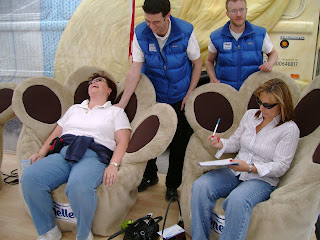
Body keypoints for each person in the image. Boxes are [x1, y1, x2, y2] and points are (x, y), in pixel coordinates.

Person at [21, 73, 131, 240]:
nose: (93, 83)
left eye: (99, 81)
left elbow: (123, 141)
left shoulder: (115, 112)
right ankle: (49, 230)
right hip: (65, 152)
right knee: (30, 178)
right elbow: (56, 133)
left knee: (78, 187)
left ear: (109, 90)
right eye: (91, 81)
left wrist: (113, 165)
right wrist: (42, 152)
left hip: (93, 155)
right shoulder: (74, 109)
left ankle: (84, 233)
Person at [191, 78, 300, 240]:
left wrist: (249, 168)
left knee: (237, 200)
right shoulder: (250, 116)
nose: (262, 108)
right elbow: (235, 142)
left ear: (282, 105)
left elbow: (281, 166)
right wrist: (220, 143)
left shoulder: (289, 129)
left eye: (268, 105)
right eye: (260, 102)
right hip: (235, 171)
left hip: (261, 180)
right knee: (200, 186)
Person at [116, 0, 202, 200]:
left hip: (179, 95)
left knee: (179, 142)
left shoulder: (185, 32)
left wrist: (189, 93)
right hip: (154, 95)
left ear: (167, 16)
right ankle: (150, 175)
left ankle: (172, 185)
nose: (152, 26)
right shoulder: (141, 34)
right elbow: (135, 70)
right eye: (148, 21)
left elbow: (197, 64)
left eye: (156, 22)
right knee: (149, 138)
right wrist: (122, 103)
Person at [205, 0, 278, 90]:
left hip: (253, 91)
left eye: (241, 9)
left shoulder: (260, 34)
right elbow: (209, 61)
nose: (239, 14)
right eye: (234, 10)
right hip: (226, 91)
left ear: (246, 11)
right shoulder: (216, 36)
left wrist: (269, 64)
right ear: (227, 14)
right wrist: (213, 78)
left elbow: (273, 53)